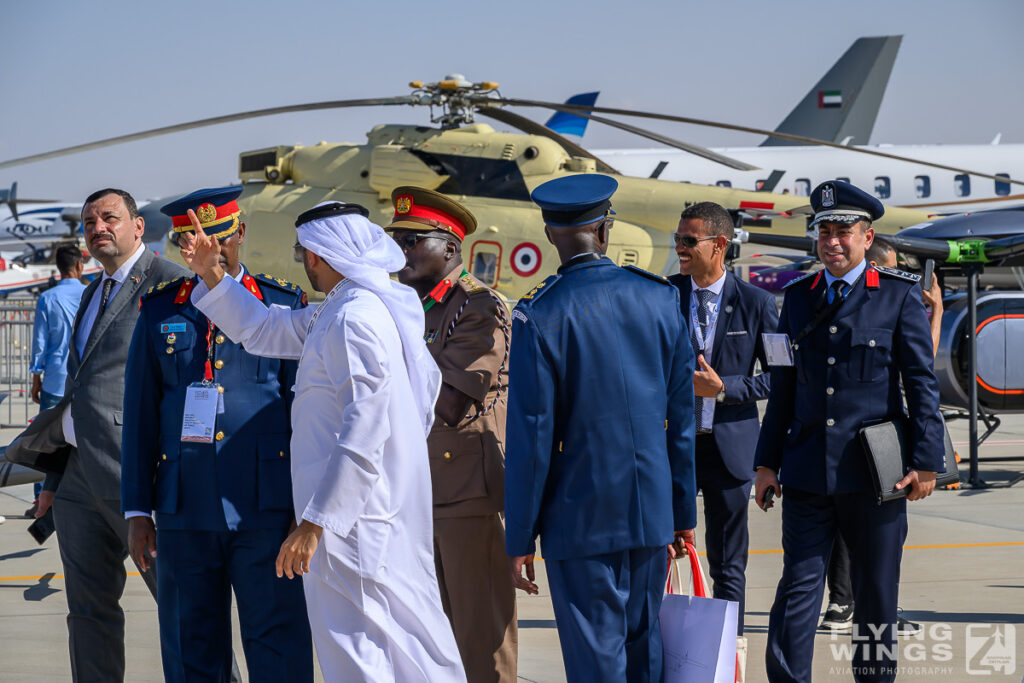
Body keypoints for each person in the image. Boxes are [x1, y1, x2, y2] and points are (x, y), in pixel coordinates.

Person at [179, 200, 466, 682]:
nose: (303, 263)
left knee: (363, 654)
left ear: (317, 254)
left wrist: (316, 523)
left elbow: (365, 427)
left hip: (353, 525)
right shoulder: (341, 310)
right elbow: (263, 329)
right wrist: (212, 275)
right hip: (352, 520)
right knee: (390, 650)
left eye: (302, 252)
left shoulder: (354, 318)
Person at [504, 174, 697, 683]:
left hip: (580, 518)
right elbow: (680, 421)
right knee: (646, 651)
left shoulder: (539, 313)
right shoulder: (660, 299)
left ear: (551, 236)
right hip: (651, 511)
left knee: (596, 659)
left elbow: (532, 437)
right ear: (605, 229)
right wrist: (681, 511)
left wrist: (520, 536)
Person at [120, 187, 313, 682]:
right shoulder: (161, 311)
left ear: (240, 234)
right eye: (194, 241)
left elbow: (305, 414)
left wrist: (308, 512)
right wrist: (138, 511)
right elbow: (140, 416)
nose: (209, 250)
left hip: (267, 509)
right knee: (191, 647)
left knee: (278, 644)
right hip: (186, 511)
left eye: (220, 239)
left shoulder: (282, 306)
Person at [754, 180, 944, 683]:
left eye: (843, 231)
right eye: (823, 232)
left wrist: (926, 463)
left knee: (876, 593)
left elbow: (921, 385)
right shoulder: (796, 300)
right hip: (806, 473)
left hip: (875, 476)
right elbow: (784, 390)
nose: (832, 242)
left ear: (867, 236)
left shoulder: (898, 297)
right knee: (798, 588)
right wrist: (766, 463)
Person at [11, 188, 188, 681]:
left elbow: (187, 383)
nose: (98, 228)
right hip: (77, 482)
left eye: (109, 217)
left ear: (137, 226)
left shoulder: (172, 283)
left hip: (140, 477)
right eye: (90, 222)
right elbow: (79, 393)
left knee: (181, 608)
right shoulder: (93, 291)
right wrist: (52, 482)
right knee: (87, 612)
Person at [385, 186, 517, 682]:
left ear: (451, 247)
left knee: (479, 640)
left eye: (414, 239)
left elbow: (450, 403)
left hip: (464, 494)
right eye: (396, 238)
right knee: (421, 639)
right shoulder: (403, 304)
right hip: (407, 492)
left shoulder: (479, 307)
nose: (401, 250)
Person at [820, 237, 944, 637]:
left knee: (862, 535)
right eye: (892, 267)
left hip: (878, 439)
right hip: (875, 440)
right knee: (869, 535)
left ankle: (853, 604)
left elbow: (921, 360)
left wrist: (934, 309)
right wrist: (934, 308)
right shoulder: (874, 300)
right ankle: (851, 603)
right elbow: (925, 362)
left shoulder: (887, 300)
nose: (899, 275)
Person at [667, 201, 778, 637]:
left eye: (689, 241)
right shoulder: (663, 294)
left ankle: (729, 649)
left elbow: (778, 378)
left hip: (729, 449)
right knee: (662, 550)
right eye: (679, 239)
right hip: (672, 447)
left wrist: (725, 390)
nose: (681, 247)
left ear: (720, 245)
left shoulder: (758, 303)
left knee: (729, 562)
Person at [27, 244, 85, 518]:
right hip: (82, 380)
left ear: (58, 268)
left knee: (46, 442)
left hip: (54, 379)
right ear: (80, 266)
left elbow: (40, 342)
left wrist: (36, 378)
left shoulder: (47, 298)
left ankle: (41, 499)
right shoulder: (91, 294)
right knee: (80, 440)